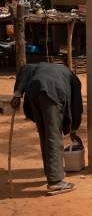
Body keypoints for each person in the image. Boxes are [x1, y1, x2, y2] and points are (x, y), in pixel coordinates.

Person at [10, 62, 83, 195]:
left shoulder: (38, 66)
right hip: (52, 92)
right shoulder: (72, 78)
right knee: (54, 136)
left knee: (45, 134)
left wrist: (17, 93)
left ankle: (51, 172)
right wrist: (73, 130)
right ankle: (55, 182)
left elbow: (24, 69)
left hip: (33, 91)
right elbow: (76, 106)